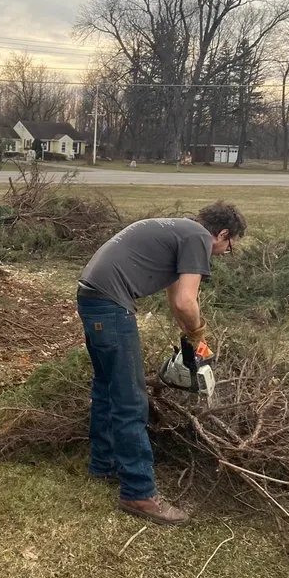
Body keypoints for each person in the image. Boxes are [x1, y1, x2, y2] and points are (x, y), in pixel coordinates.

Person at [76, 202, 247, 526]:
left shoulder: (180, 231)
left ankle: (103, 464)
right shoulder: (198, 238)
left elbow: (176, 298)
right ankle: (138, 492)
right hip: (111, 304)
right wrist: (198, 332)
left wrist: (190, 339)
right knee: (130, 400)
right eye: (230, 245)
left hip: (92, 297)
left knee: (106, 387)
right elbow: (185, 302)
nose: (226, 251)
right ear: (222, 233)